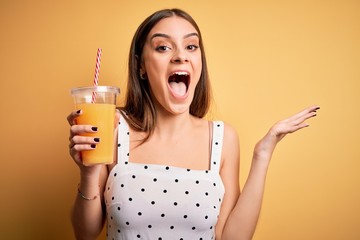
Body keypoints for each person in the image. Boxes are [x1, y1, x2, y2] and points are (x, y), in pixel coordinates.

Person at [67, 8, 319, 240]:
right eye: (163, 47)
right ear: (141, 66)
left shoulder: (222, 139)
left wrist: (262, 154)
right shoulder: (111, 126)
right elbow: (85, 234)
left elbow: (231, 238)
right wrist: (89, 172)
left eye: (191, 46)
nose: (180, 56)